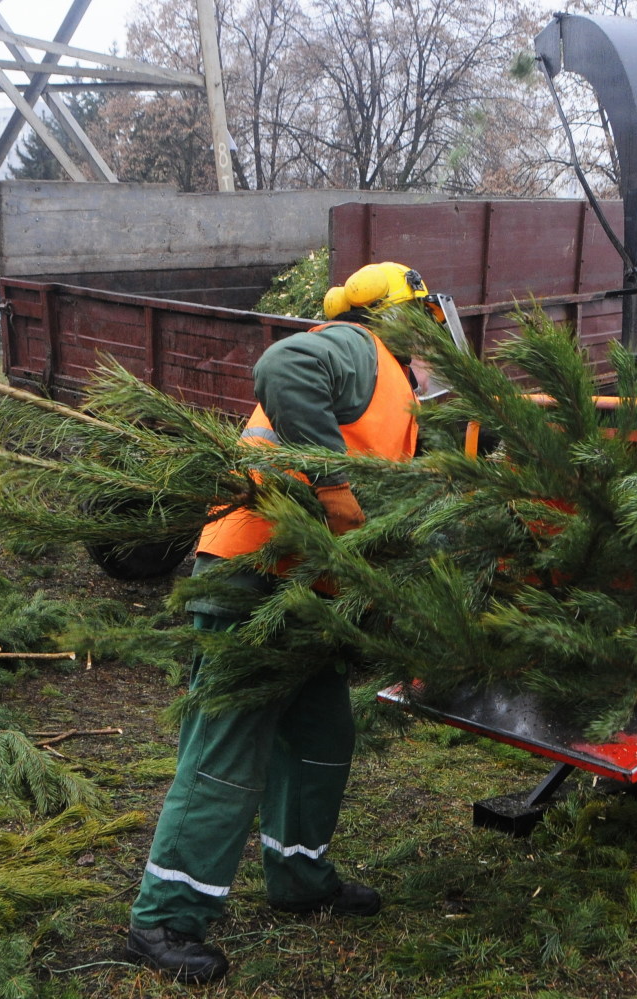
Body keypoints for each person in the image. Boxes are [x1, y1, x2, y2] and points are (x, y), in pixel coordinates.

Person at [124, 262, 436, 985]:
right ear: (396, 314)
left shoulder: (395, 389)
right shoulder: (359, 347)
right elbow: (282, 363)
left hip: (306, 590)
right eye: (422, 315)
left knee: (323, 736)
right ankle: (165, 918)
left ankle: (299, 877)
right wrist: (332, 487)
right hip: (252, 576)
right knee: (230, 744)